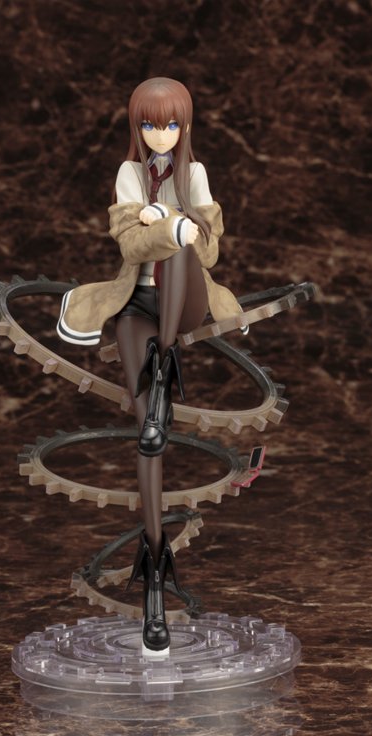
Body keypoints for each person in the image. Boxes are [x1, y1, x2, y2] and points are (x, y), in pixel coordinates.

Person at [57, 77, 243, 653]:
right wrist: (162, 224)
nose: (160, 135)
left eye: (170, 124)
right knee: (148, 441)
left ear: (184, 126)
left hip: (181, 305)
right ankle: (155, 582)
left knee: (183, 245)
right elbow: (129, 246)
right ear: (136, 127)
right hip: (135, 303)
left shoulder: (195, 173)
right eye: (148, 124)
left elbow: (210, 249)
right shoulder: (128, 174)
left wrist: (172, 225)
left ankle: (162, 370)